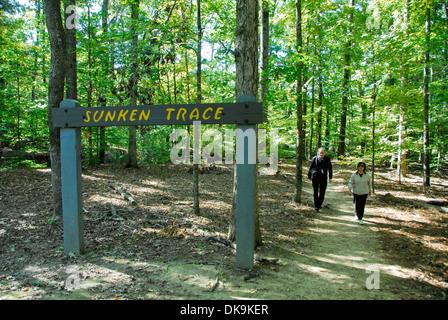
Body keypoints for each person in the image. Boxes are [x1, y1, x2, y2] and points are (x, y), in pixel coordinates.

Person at [308, 147, 333, 212]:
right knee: (315, 191)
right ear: (318, 153)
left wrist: (330, 177)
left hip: (323, 178)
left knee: (322, 192)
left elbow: (330, 168)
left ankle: (319, 204)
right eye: (320, 153)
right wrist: (309, 176)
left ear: (324, 153)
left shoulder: (327, 159)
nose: (321, 154)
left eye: (323, 153)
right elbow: (311, 168)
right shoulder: (314, 158)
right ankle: (316, 205)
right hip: (316, 177)